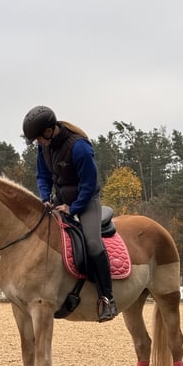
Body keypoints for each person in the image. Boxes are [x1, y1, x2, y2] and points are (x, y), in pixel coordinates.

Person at [22, 105, 118, 322]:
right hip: (60, 199)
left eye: (38, 138)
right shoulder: (44, 147)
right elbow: (43, 175)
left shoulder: (79, 147)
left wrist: (72, 208)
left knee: (93, 244)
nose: (37, 142)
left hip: (86, 201)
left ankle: (107, 299)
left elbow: (88, 184)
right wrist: (45, 198)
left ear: (49, 131)